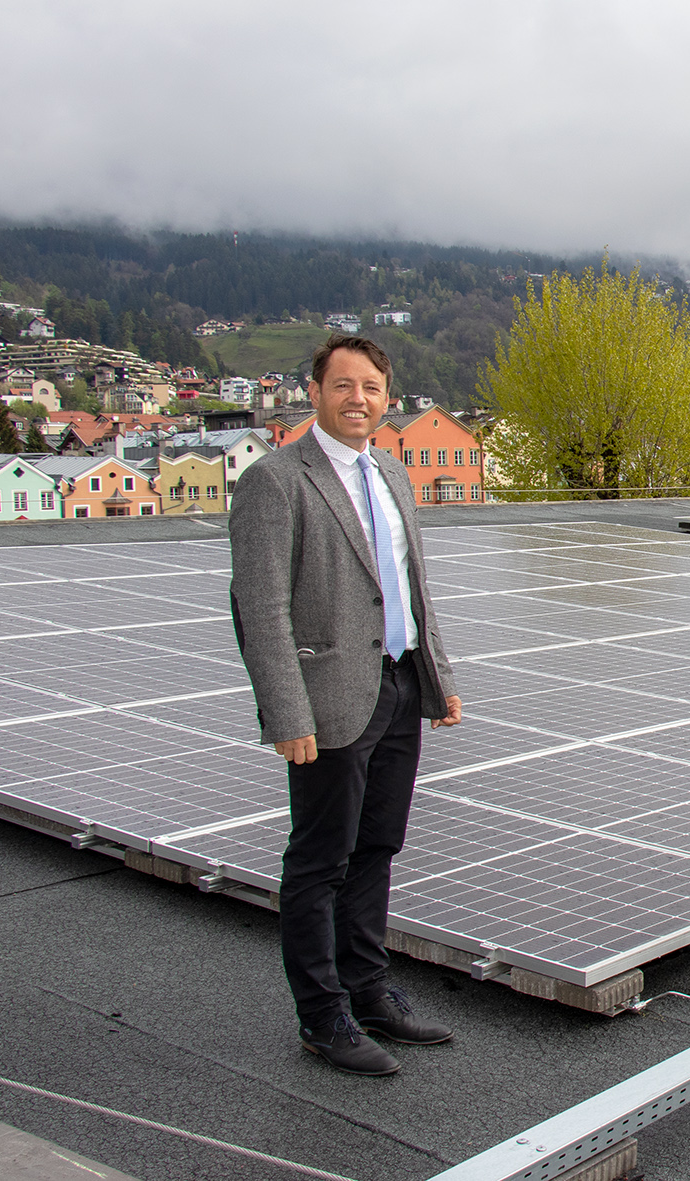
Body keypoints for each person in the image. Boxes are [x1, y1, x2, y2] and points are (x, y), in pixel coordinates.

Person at [229, 335, 462, 1076]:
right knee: (320, 859)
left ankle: (368, 991)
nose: (357, 398)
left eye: (370, 387)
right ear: (314, 391)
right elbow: (260, 608)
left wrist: (439, 677)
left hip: (397, 686)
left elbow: (413, 587)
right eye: (342, 385)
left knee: (377, 847)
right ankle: (321, 1015)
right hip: (327, 699)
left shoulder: (392, 471)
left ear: (387, 397)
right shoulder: (276, 481)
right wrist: (286, 714)